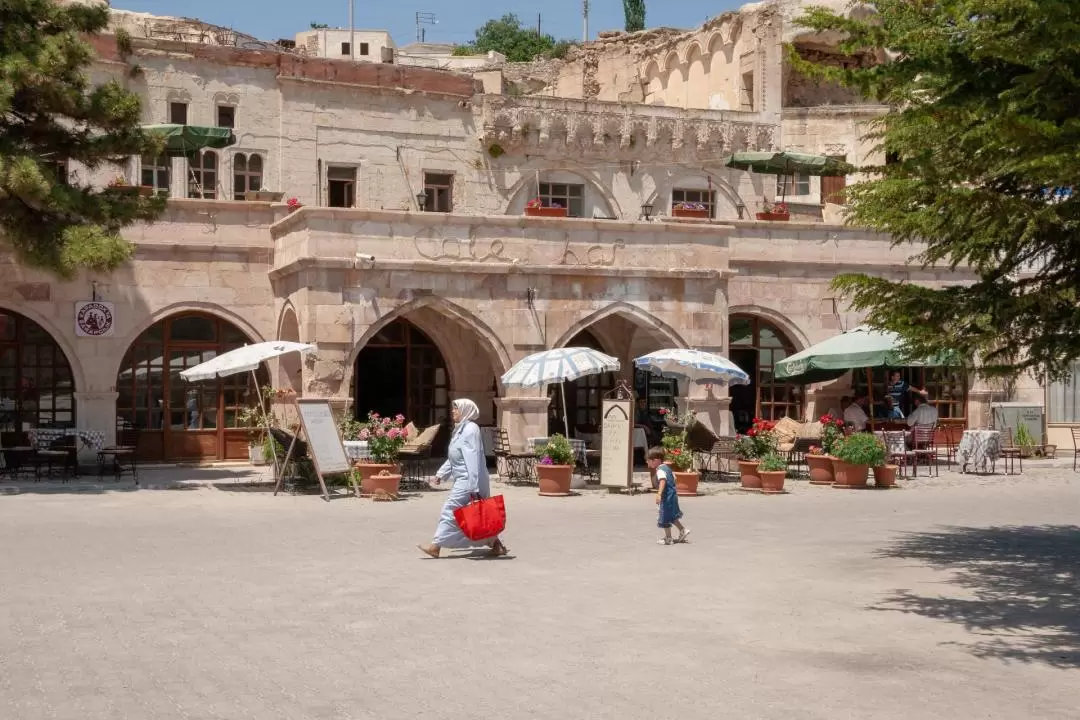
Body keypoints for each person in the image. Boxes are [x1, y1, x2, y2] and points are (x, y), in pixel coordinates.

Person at [418, 399, 508, 559]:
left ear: (466, 410)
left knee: (450, 509)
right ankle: (496, 544)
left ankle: (436, 546)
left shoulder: (470, 430)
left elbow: (472, 458)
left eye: (456, 409)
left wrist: (473, 486)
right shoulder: (461, 429)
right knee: (477, 515)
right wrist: (441, 473)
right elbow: (455, 455)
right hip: (465, 479)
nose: (453, 412)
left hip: (468, 480)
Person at [646, 447, 689, 546]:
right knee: (671, 515)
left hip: (666, 497)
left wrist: (659, 494)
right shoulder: (667, 468)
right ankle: (683, 530)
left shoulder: (660, 470)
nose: (647, 462)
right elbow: (674, 478)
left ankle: (668, 538)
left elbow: (662, 481)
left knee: (664, 516)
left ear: (655, 460)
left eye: (649, 460)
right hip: (673, 495)